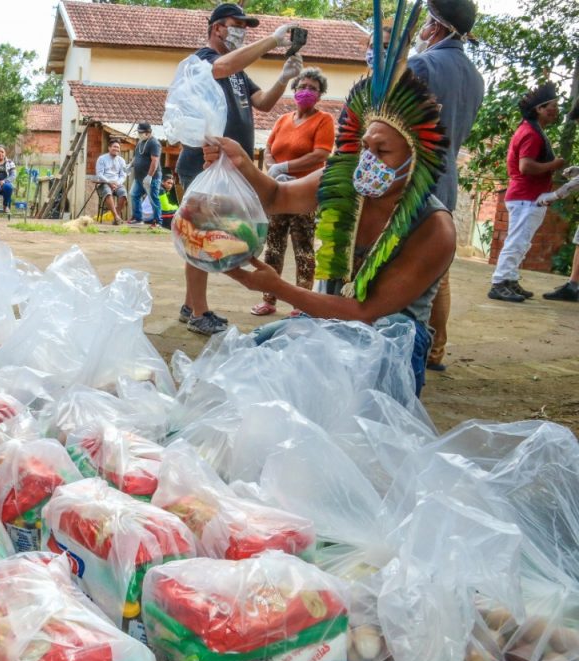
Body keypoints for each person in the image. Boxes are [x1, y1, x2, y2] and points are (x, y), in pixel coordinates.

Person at [200, 13, 453, 396]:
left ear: (415, 158)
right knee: (248, 356)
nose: (368, 159)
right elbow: (276, 196)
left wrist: (278, 288)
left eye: (382, 151)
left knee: (355, 388)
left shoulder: (434, 227)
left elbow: (367, 314)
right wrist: (240, 162)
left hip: (389, 341)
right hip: (326, 318)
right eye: (365, 146)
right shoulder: (344, 180)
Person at [175, 3, 304, 336]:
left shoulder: (238, 72)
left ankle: (191, 305)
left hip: (229, 167)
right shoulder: (204, 60)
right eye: (238, 25)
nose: (243, 31)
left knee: (202, 236)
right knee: (200, 237)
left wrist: (284, 78)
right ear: (218, 28)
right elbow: (220, 67)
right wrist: (273, 41)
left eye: (247, 26)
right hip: (204, 163)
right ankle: (199, 312)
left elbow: (262, 103)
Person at [407, 0, 484, 372]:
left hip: (411, 181)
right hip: (446, 180)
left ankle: (410, 347)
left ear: (435, 27)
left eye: (425, 23)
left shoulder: (423, 64)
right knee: (438, 271)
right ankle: (435, 351)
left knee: (404, 269)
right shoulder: (475, 75)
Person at [251, 67, 335, 317]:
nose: (306, 91)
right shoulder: (283, 120)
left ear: (320, 96)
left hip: (305, 193)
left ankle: (303, 303)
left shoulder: (324, 120)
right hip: (278, 192)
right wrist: (274, 169)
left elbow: (321, 153)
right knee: (274, 247)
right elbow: (269, 148)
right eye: (302, 87)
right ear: (294, 90)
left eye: (313, 88)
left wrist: (287, 166)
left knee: (303, 248)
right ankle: (269, 299)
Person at [488, 83, 564, 303]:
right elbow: (526, 167)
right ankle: (500, 282)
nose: (556, 110)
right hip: (525, 196)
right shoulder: (531, 133)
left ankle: (510, 279)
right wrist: (554, 164)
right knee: (517, 241)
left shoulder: (532, 129)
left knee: (522, 241)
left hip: (527, 197)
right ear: (540, 109)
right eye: (552, 105)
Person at [129, 122, 163, 228]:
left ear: (148, 133)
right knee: (134, 195)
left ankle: (157, 221)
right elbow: (137, 157)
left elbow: (155, 161)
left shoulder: (154, 143)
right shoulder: (140, 142)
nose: (139, 134)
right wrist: (130, 165)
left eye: (141, 132)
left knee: (153, 198)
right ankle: (138, 218)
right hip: (139, 177)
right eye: (138, 132)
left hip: (151, 178)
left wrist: (150, 176)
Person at [95, 140, 128, 225]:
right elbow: (99, 174)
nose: (116, 149)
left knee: (124, 193)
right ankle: (116, 217)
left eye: (118, 147)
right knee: (107, 192)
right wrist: (109, 182)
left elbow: (123, 175)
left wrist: (117, 183)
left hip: (117, 184)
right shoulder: (102, 159)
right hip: (104, 183)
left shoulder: (121, 160)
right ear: (109, 148)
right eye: (114, 146)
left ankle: (115, 216)